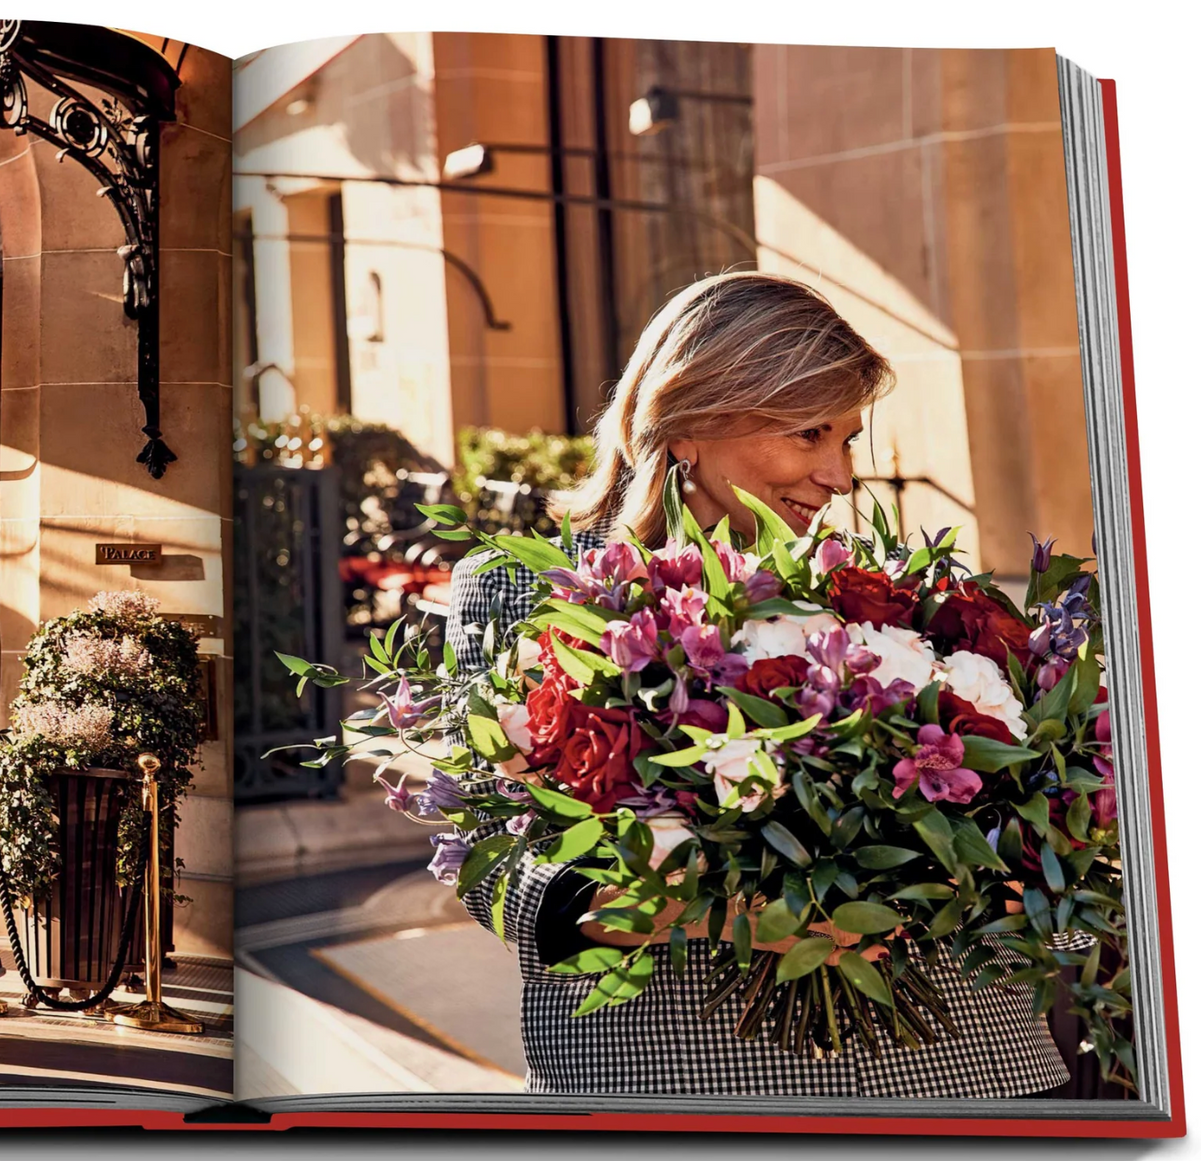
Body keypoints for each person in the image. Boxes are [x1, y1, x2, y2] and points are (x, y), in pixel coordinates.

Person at [444, 272, 1070, 1097]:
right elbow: (499, 877)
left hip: (968, 1076)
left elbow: (1039, 856)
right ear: (690, 422)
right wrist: (745, 919)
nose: (840, 477)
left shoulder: (888, 597)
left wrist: (1029, 871)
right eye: (810, 434)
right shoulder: (529, 590)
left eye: (847, 440)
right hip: (684, 1084)